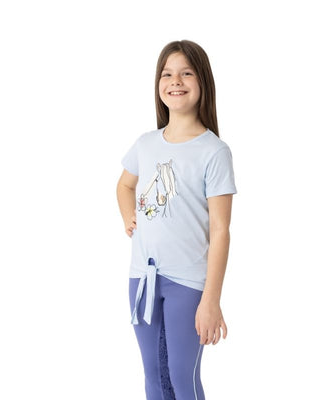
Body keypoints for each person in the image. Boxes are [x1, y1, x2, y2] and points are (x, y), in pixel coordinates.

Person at [116, 39, 237, 400]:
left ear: (203, 82)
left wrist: (211, 299)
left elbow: (221, 230)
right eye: (167, 74)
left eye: (186, 73)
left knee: (182, 377)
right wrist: (128, 215)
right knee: (154, 376)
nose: (176, 81)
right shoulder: (145, 143)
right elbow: (124, 185)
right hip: (143, 277)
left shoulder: (214, 151)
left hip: (188, 282)